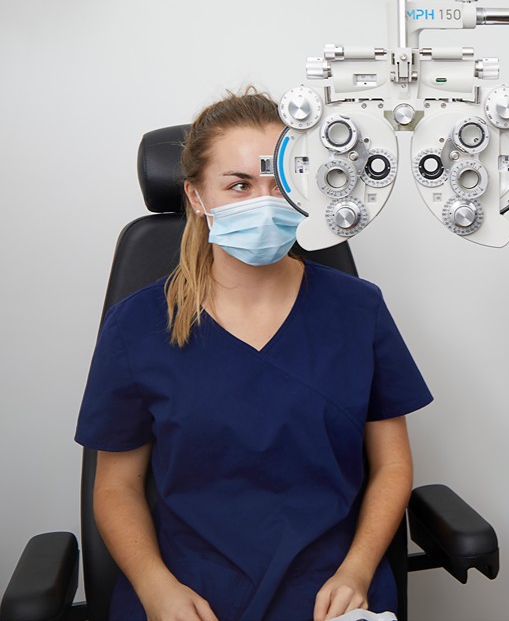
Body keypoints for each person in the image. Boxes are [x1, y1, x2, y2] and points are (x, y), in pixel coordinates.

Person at [75, 87, 432, 621]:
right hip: (189, 593)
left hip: (329, 592)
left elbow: (392, 464)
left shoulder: (358, 309)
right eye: (238, 185)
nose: (264, 203)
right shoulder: (138, 325)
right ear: (196, 196)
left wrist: (356, 571)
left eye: (279, 183)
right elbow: (116, 485)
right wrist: (156, 589)